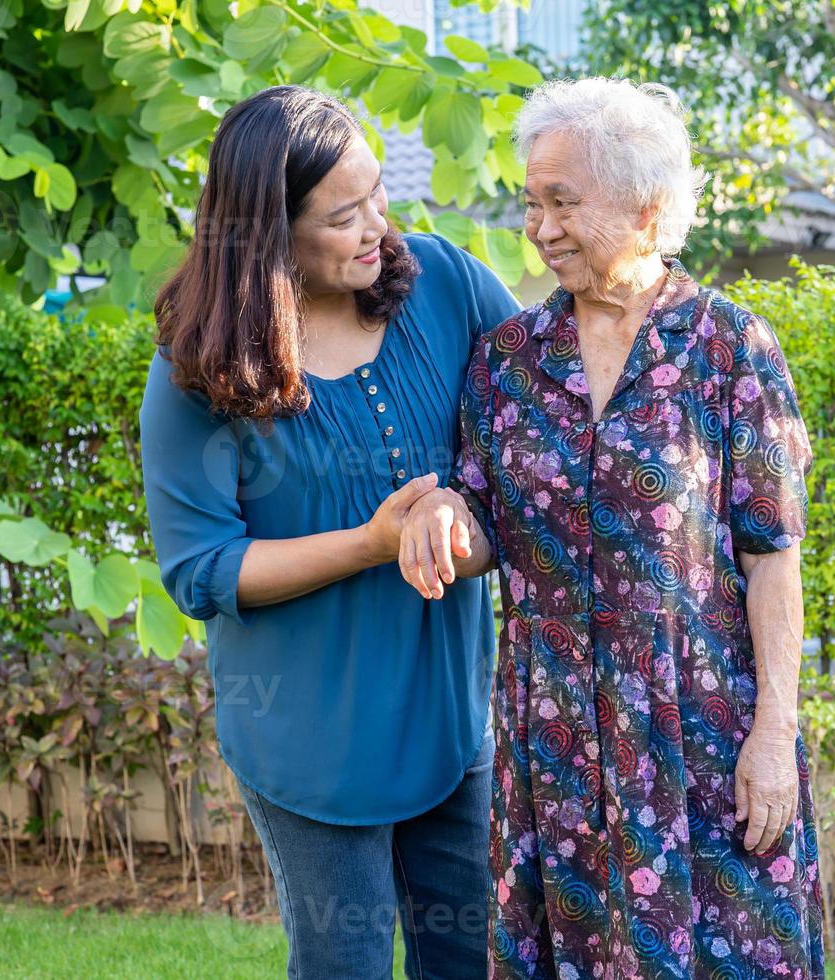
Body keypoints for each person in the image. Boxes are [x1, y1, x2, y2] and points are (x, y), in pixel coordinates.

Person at [398, 78, 827, 978]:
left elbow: (772, 558)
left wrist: (774, 737)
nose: (542, 228)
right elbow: (483, 530)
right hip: (553, 743)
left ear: (648, 208)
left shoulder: (730, 349)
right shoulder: (509, 360)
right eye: (531, 203)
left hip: (702, 735)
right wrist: (442, 513)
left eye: (564, 202)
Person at [139, 85, 519, 979]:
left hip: (449, 717)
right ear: (266, 233)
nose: (377, 228)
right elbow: (201, 570)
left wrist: (456, 507)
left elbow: (540, 433)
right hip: (310, 739)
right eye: (344, 216)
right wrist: (372, 540)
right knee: (344, 962)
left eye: (378, 196)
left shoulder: (448, 287)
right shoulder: (202, 365)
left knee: (471, 957)